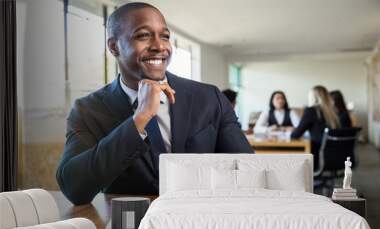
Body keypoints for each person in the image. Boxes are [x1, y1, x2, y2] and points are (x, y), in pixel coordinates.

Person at [56, 2, 253, 205]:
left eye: (165, 36)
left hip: (204, 222)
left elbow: (248, 173)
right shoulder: (88, 110)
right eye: (143, 35)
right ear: (114, 46)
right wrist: (139, 119)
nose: (159, 46)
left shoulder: (209, 97)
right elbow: (74, 188)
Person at [291, 85, 340, 169]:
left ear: (313, 97)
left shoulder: (311, 111)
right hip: (335, 155)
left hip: (317, 155)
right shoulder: (334, 112)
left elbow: (295, 135)